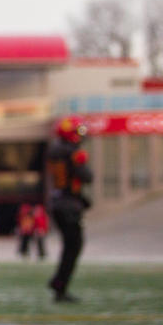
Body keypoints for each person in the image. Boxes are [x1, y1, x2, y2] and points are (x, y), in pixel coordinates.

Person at [46, 117, 93, 303]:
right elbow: (87, 177)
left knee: (70, 246)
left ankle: (59, 283)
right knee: (74, 246)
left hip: (59, 202)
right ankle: (59, 284)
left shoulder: (55, 151)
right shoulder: (71, 153)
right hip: (68, 205)